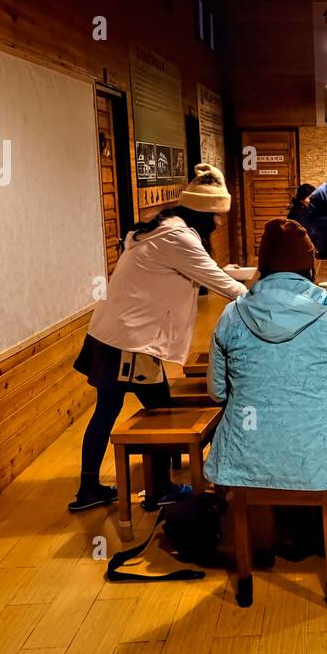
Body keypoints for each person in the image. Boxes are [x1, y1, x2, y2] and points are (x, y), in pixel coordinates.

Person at [71, 164, 247, 512]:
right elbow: (224, 285)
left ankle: (90, 487)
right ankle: (159, 488)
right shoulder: (177, 238)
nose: (220, 223)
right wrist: (263, 296)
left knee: (110, 408)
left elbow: (209, 274)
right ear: (202, 212)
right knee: (162, 413)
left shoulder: (166, 228)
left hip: (114, 335)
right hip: (130, 341)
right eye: (216, 216)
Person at [204, 218, 327, 492]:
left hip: (244, 455)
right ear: (310, 265)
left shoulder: (231, 315)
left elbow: (217, 392)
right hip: (322, 457)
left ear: (263, 265)